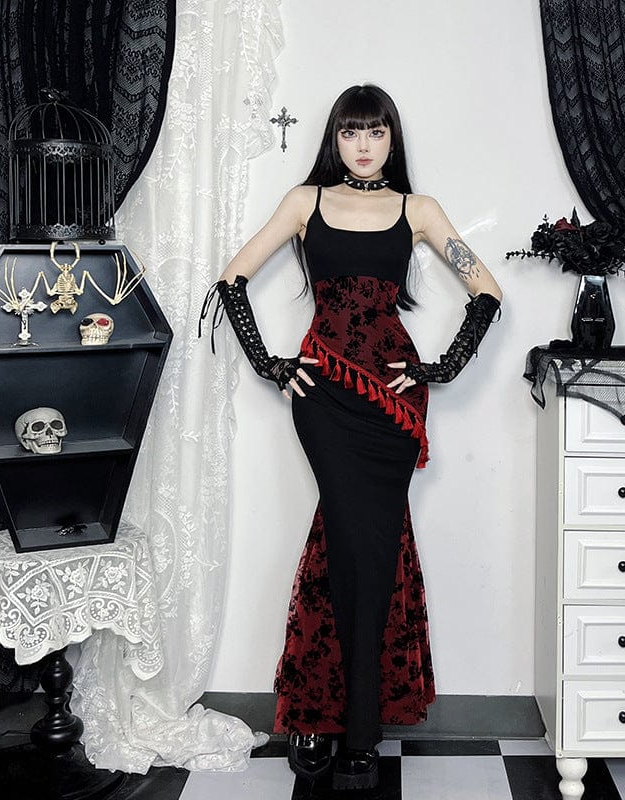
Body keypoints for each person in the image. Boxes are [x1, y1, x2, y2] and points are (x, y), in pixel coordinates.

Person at [201, 84, 502, 791]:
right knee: (346, 544)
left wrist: (440, 367)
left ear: (393, 140)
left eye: (375, 132)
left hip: (393, 407)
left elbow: (487, 292)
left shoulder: (418, 210)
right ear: (334, 140)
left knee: (370, 549)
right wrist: (271, 363)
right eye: (350, 132)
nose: (363, 146)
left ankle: (348, 721)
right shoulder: (304, 202)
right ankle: (325, 715)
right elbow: (232, 279)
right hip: (326, 399)